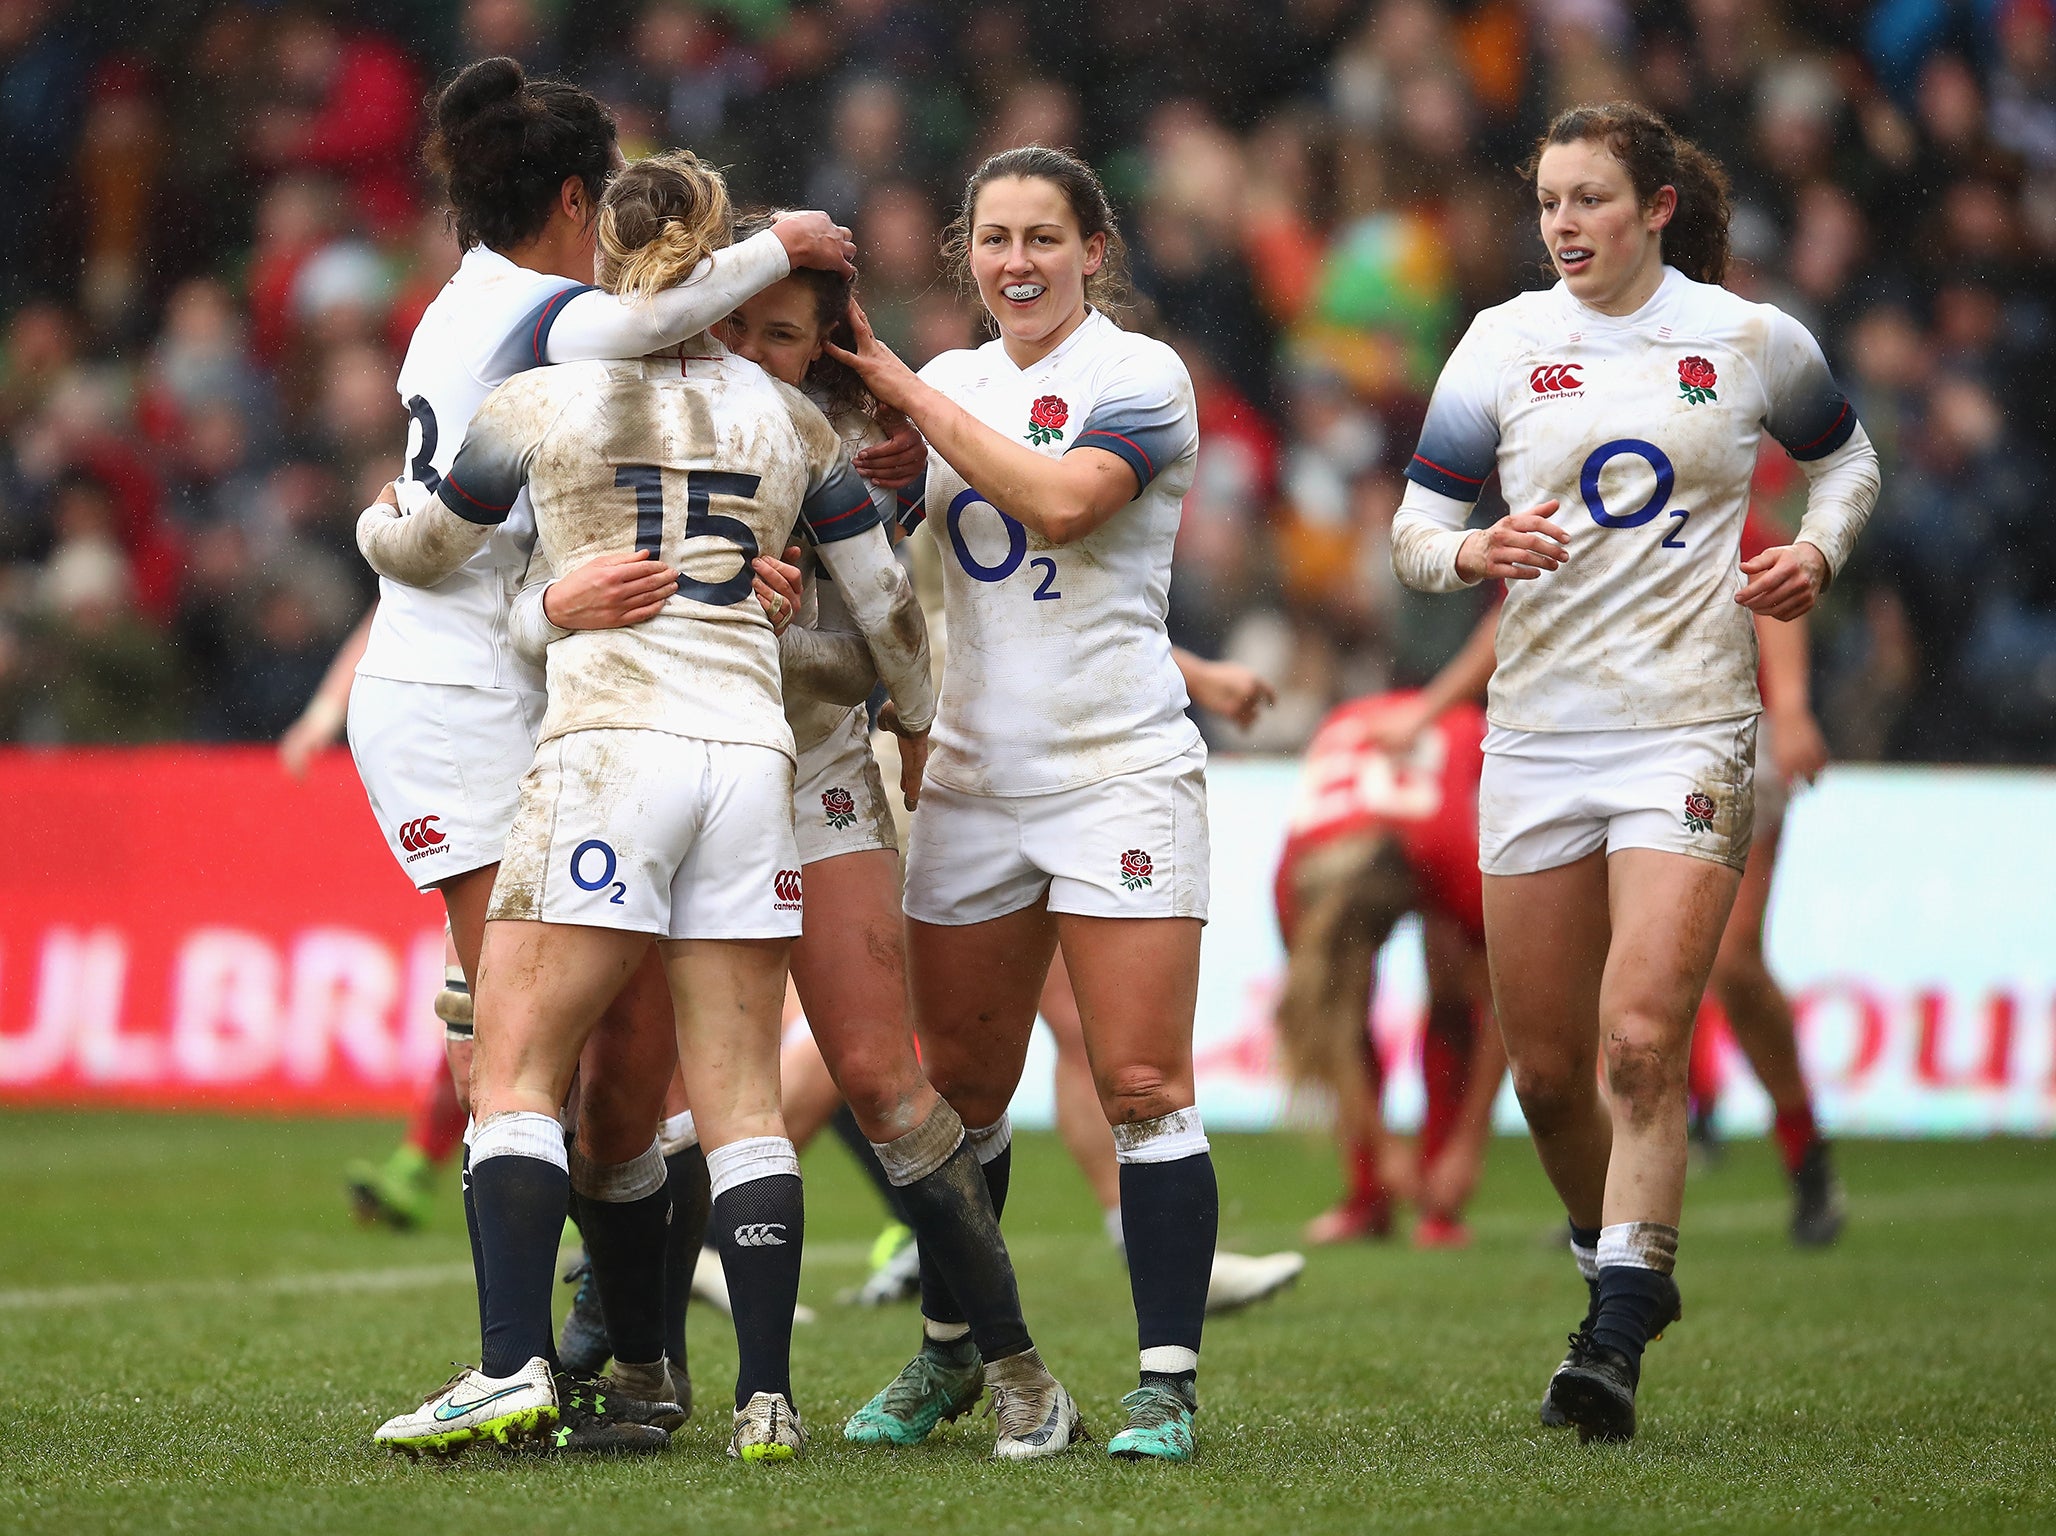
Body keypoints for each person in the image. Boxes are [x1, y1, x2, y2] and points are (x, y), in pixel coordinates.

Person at [364, 150, 923, 1463]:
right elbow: (895, 625)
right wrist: (905, 714)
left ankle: (511, 1370)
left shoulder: (543, 397)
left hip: (614, 750)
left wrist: (394, 539)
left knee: (514, 1065)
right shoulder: (793, 425)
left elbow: (426, 548)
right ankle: (765, 1400)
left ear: (606, 261)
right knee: (731, 1091)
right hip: (749, 766)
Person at [527, 215, 1087, 1460]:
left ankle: (1018, 1372)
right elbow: (532, 590)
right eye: (731, 322)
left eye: (780, 335)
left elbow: (879, 653)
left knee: (881, 1078)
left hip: (813, 778)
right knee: (627, 1097)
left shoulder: (833, 452)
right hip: (659, 767)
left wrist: (800, 645)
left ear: (820, 347)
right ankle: (630, 1358)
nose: (747, 350)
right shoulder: (618, 424)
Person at [1389, 102, 1879, 1442]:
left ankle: (1616, 1325)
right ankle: (1604, 1251)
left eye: (1590, 198)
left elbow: (1847, 463)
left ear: (1657, 207)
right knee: (1545, 1077)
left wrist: (1819, 555)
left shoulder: (1750, 340)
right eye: (1548, 199)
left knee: (1640, 1039)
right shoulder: (1500, 344)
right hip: (1538, 736)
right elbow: (1414, 531)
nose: (1563, 222)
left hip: (1690, 728)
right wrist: (1470, 555)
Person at [829, 145, 1214, 1462]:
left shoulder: (1140, 378)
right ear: (967, 253)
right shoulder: (951, 386)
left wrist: (897, 390)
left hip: (1120, 770)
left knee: (1145, 1080)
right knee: (964, 1093)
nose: (1019, 263)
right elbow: (885, 551)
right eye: (995, 239)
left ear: (1094, 250)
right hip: (975, 784)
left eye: (1045, 237)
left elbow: (1056, 503)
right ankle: (950, 1360)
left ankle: (1166, 1385)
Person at [1275, 692, 1507, 1251]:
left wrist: (1468, 1145)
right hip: (1363, 749)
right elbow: (1325, 1024)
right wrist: (1381, 1148)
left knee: (1455, 980)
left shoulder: (1447, 854)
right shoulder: (1292, 887)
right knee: (1339, 1003)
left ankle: (1439, 1192)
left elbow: (1507, 1000)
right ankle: (1370, 1193)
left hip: (1465, 750)